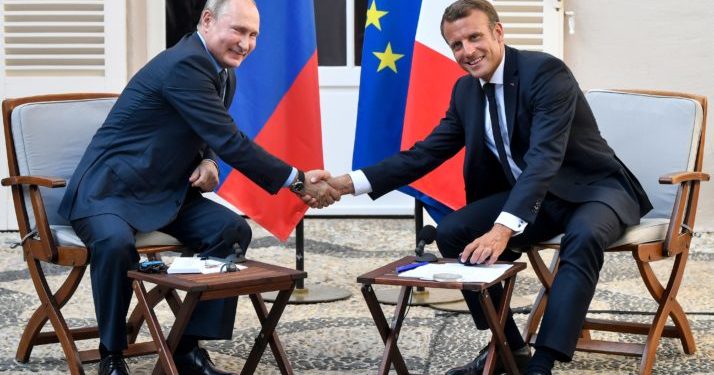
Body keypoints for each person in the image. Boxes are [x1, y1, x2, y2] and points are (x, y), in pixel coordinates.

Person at [324, 1, 652, 374]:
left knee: (583, 235)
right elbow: (425, 154)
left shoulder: (545, 72)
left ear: (498, 32)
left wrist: (502, 229)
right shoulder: (465, 92)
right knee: (452, 232)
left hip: (595, 190)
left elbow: (545, 158)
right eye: (457, 45)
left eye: (474, 37)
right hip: (538, 200)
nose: (467, 51)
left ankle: (543, 362)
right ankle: (508, 348)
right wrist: (349, 183)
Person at [58, 0, 337, 374]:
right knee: (113, 244)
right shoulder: (184, 64)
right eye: (238, 30)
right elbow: (230, 140)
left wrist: (208, 160)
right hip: (109, 191)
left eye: (253, 35)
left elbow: (209, 133)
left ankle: (187, 347)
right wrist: (297, 181)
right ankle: (111, 355)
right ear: (207, 20)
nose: (246, 43)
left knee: (230, 231)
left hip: (166, 190)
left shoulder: (223, 72)